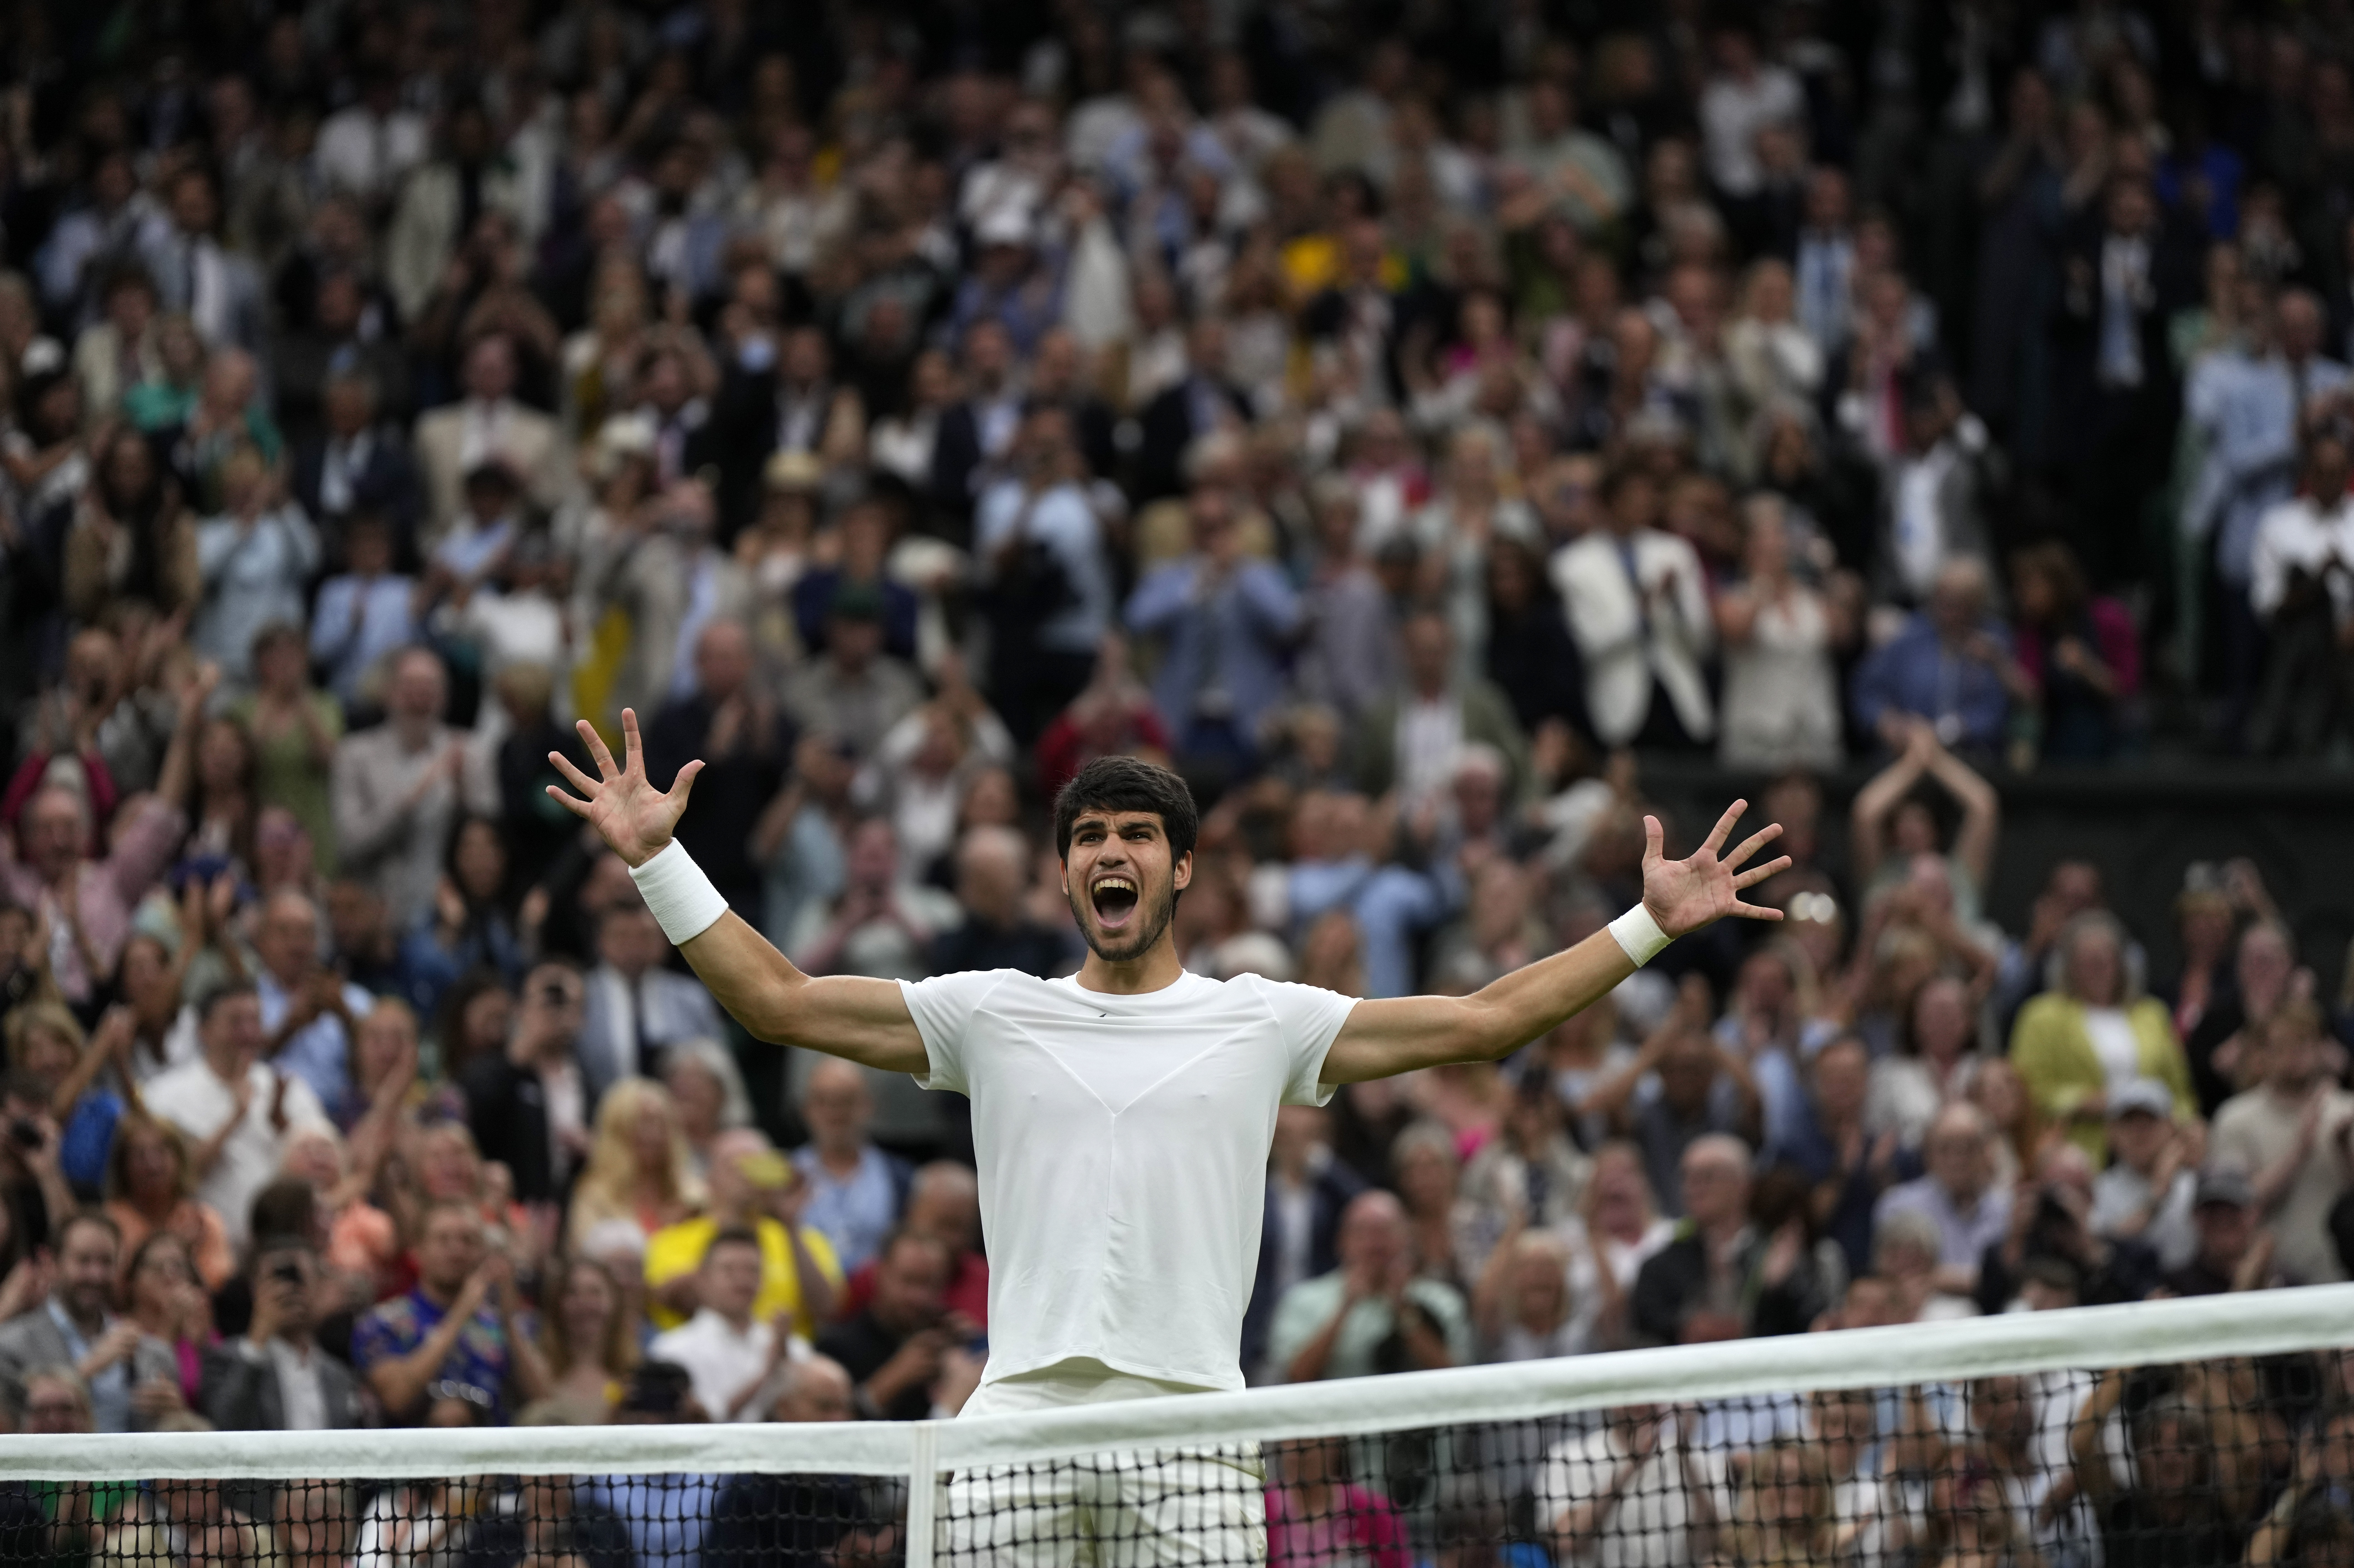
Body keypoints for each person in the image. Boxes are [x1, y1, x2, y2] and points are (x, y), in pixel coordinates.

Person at [549, 720, 1783, 1547]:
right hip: (1016, 1423)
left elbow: (1484, 1020)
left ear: (1182, 870)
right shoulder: (990, 1011)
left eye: (1137, 834)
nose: (1111, 851)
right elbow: (779, 1000)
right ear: (1069, 876)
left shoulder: (1265, 1020)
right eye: (1089, 837)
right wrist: (663, 862)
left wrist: (1649, 926)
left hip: (1193, 1428)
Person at [145, 984, 335, 1252]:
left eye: (255, 1021)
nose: (248, 1033)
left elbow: (330, 1172)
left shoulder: (287, 1087)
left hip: (290, 1247)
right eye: (235, 1022)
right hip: (209, 1251)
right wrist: (234, 1119)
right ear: (204, 1030)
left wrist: (282, 1127)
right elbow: (173, 1181)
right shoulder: (166, 1094)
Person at [2010, 910, 2196, 1161]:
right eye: (2087, 960)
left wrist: (2176, 1120)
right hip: (2077, 1152)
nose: (2098, 967)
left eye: (2105, 958)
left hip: (2153, 1152)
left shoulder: (2152, 1014)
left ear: (2122, 963)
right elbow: (2027, 1089)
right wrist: (2084, 1101)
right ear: (2068, 966)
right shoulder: (2042, 1016)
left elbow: (2182, 1093)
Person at [352, 1200, 538, 1424]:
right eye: (443, 1239)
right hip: (414, 1452)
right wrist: (460, 1313)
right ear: (417, 1251)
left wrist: (508, 1318)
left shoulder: (498, 1324)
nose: (457, 1250)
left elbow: (543, 1401)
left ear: (483, 1252)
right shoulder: (383, 1321)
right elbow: (396, 1398)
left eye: (468, 1240)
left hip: (494, 1452)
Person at [643, 1126, 841, 1336]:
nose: (745, 1174)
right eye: (732, 1165)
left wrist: (790, 1225)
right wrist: (731, 1223)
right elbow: (672, 1299)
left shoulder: (804, 1239)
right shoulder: (672, 1239)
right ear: (710, 1177)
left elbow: (827, 1308)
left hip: (788, 1358)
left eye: (755, 1164)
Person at [2211, 1000, 2354, 1285]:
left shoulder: (2347, 1112)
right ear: (2263, 1053)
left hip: (2339, 1277)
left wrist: (2343, 1151)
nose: (2295, 1054)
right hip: (2269, 1282)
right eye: (2284, 1045)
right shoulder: (2235, 1118)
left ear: (2320, 1048)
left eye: (2304, 1043)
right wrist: (2299, 1152)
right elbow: (2233, 1208)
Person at [1266, 1189, 1472, 1381]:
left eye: (1385, 1231)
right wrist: (1345, 1308)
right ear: (1342, 1241)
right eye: (1363, 1232)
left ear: (1408, 1238)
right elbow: (1294, 1377)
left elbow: (1456, 1378)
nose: (1375, 1244)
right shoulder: (1303, 1300)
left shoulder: (1441, 1300)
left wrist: (1403, 1310)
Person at [0, 1212, 178, 1432]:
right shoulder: (11, 1345)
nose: (96, 1275)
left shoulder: (151, 1352)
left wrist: (173, 1412)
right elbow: (12, 1424)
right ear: (53, 1264)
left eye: (106, 1262)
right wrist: (90, 1367)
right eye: (84, 1261)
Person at [197, 1234, 365, 1429]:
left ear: (319, 1285)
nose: (290, 1288)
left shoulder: (339, 1375)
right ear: (255, 1289)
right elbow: (224, 1428)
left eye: (298, 1276)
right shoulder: (224, 1359)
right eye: (278, 1277)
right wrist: (256, 1343)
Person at [1537, 1403, 1727, 1568]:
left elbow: (1714, 1545)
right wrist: (1629, 1467)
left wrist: (1685, 1458)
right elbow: (1564, 1542)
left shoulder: (1701, 1458)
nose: (1640, 1402)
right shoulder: (1568, 1457)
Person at [645, 1226, 801, 1422]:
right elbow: (700, 1420)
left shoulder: (792, 1346)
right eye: (729, 1269)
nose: (743, 1279)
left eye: (753, 1270)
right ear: (702, 1279)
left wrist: (786, 1366)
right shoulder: (672, 1350)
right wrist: (768, 1372)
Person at [815, 1227, 962, 1421]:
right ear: (879, 1274)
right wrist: (893, 1379)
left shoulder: (950, 1341)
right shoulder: (837, 1349)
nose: (919, 1297)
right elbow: (829, 1434)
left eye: (931, 1284)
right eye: (909, 1281)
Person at [1872, 1104, 2014, 1301]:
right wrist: (1978, 1281)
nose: (1957, 1159)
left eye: (1968, 1147)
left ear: (1987, 1152)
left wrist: (1941, 1279)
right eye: (1945, 1148)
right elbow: (1897, 1281)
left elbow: (2012, 1279)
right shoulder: (1899, 1206)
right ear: (1927, 1154)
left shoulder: (2008, 1209)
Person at [790, 1059, 912, 1276]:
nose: (835, 1113)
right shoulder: (787, 1175)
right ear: (806, 1109)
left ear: (867, 1105)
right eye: (823, 1101)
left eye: (846, 1101)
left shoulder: (899, 1177)